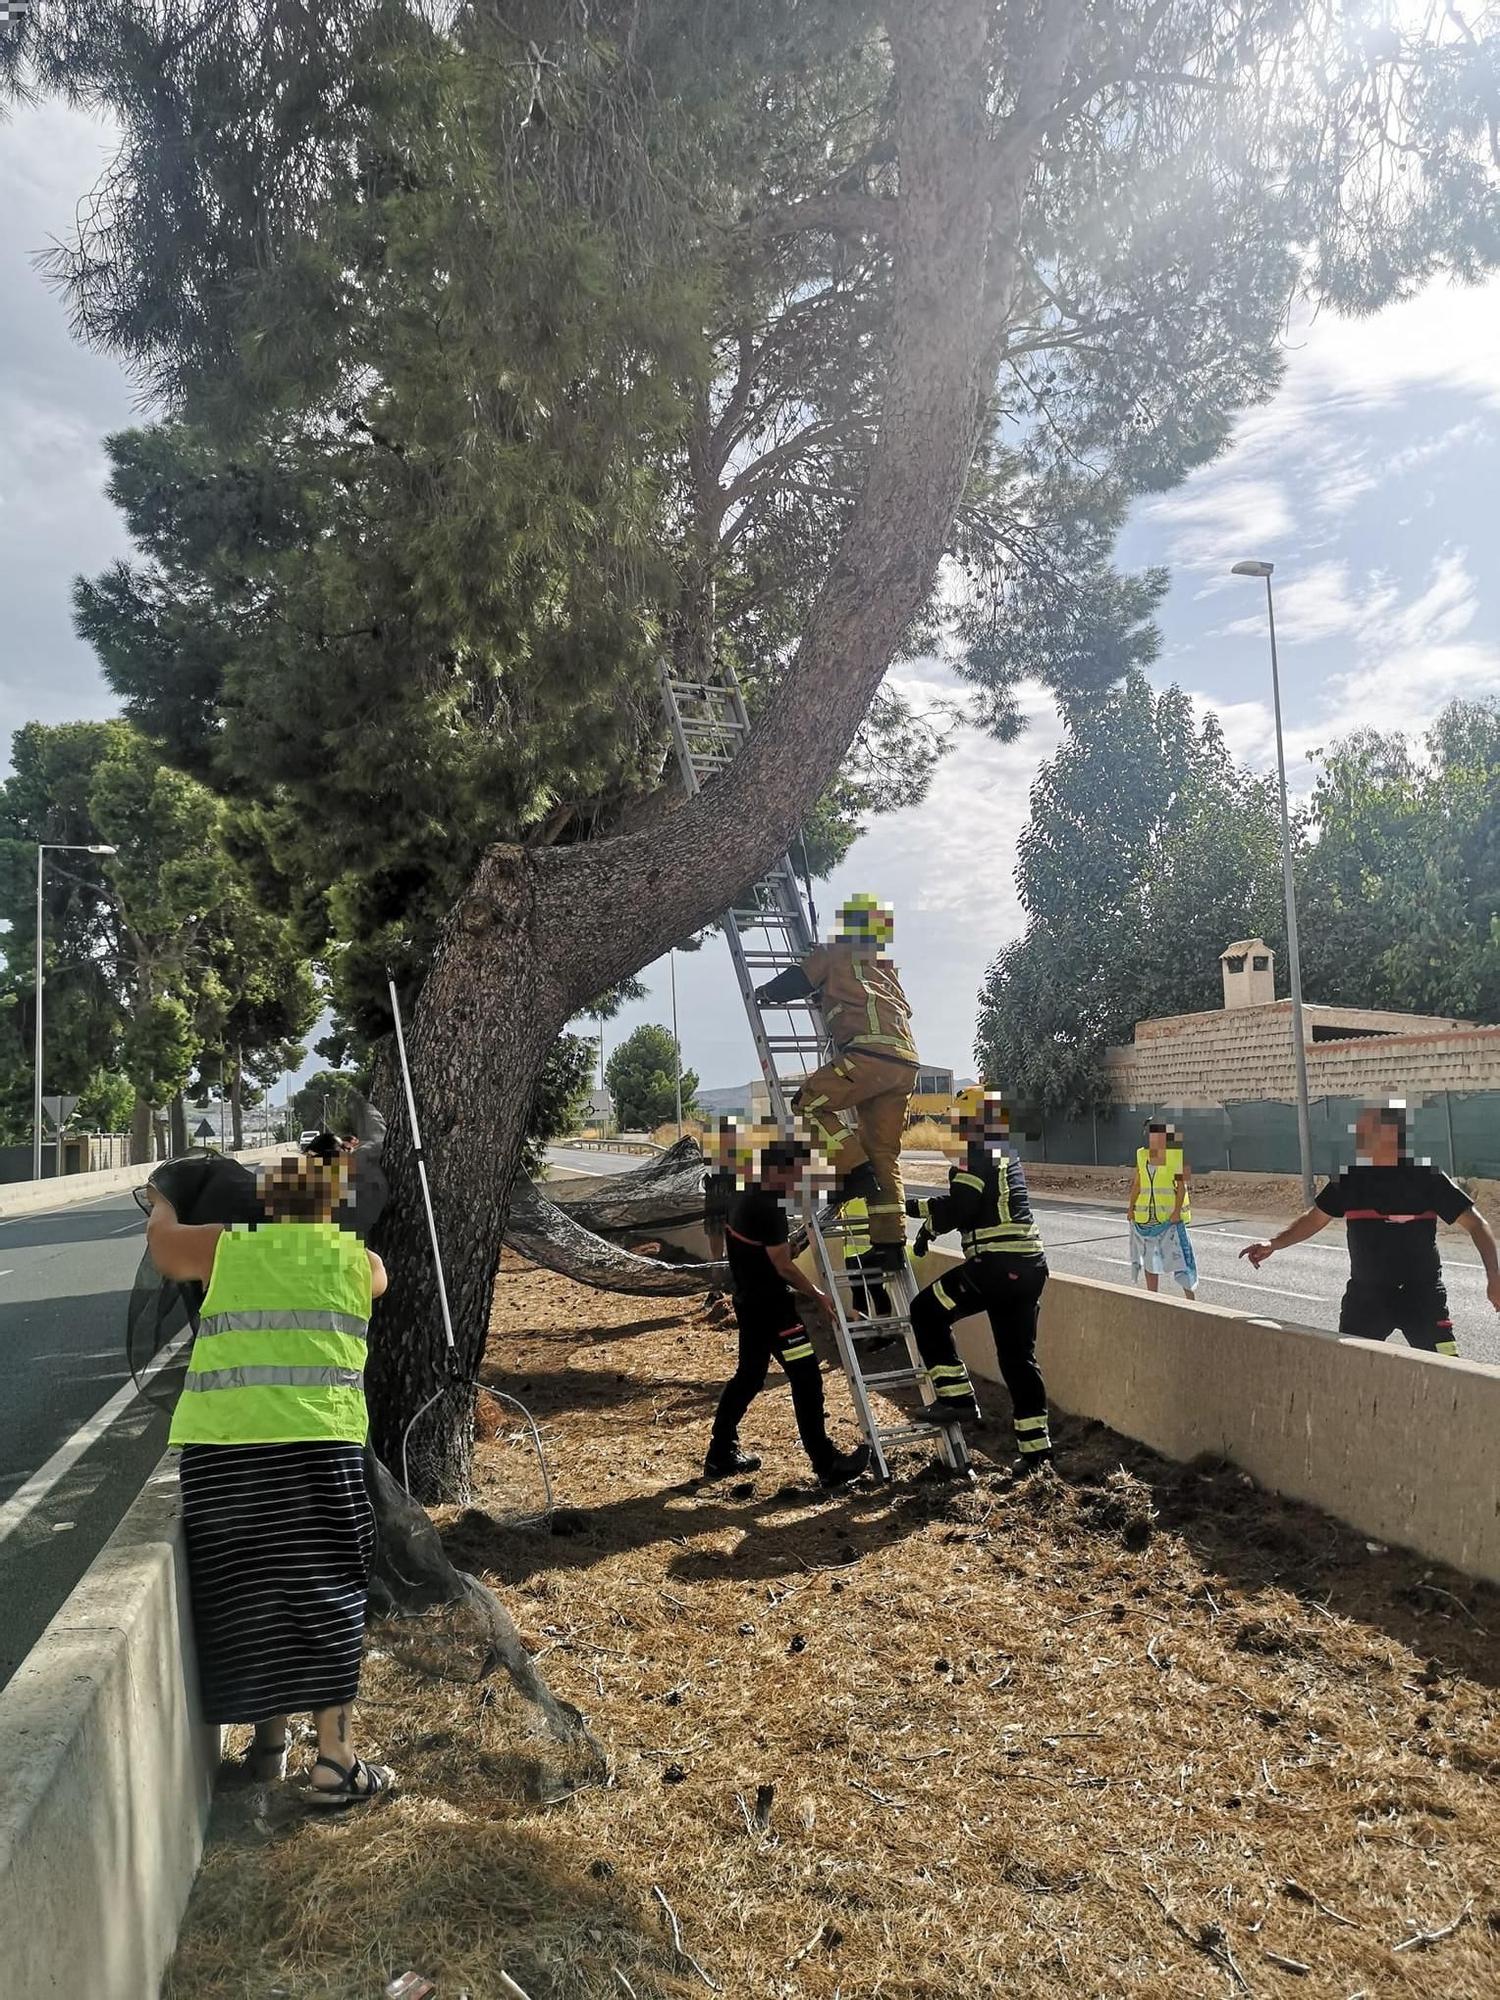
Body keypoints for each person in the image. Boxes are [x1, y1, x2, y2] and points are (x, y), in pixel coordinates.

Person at [146, 1148, 396, 1806]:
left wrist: (165, 1197)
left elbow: (165, 1251)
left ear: (262, 1205)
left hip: (226, 1451)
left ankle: (267, 1752)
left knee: (253, 1595)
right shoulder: (359, 1263)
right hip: (324, 1449)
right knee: (327, 1595)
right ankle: (335, 1761)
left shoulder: (226, 1247)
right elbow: (374, 1279)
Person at [1239, 1103, 1500, 1353]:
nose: (1358, 1135)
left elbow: (1477, 1225)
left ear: (1389, 1132)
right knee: (1349, 1374)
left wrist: (1494, 1278)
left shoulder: (1426, 1177)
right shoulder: (1351, 1179)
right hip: (1366, 1298)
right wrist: (1274, 1243)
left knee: (1447, 1374)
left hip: (1423, 1297)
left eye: (1365, 1129)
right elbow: (1315, 1219)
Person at [751, 893, 919, 1270]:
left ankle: (854, 1171)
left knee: (808, 1103)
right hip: (905, 1064)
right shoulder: (886, 967)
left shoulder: (836, 951)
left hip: (867, 1055)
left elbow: (797, 979)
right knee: (884, 1154)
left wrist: (766, 993)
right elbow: (866, 1001)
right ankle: (890, 1244)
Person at [704, 1134, 870, 1489]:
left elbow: (776, 1253)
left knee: (748, 1377)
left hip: (750, 1302)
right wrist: (820, 1295)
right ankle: (827, 1464)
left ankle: (720, 1454)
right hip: (774, 1310)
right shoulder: (769, 1206)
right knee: (807, 1378)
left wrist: (808, 1234)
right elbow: (782, 1264)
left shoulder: (747, 1194)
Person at [904, 1087, 1053, 1467]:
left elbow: (960, 1208)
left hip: (995, 1268)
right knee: (1019, 1360)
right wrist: (929, 1228)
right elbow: (972, 1208)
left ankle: (956, 1398)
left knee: (926, 1310)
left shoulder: (975, 1153)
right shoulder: (1004, 1154)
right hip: (1028, 1269)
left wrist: (909, 1209)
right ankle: (1037, 1454)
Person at [1127, 1118, 1197, 1300]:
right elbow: (1138, 1183)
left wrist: (1176, 1212)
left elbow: (1183, 1186)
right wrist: (1131, 1207)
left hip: (1169, 1220)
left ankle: (1192, 1302)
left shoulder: (1178, 1154)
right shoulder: (1141, 1154)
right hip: (1146, 1218)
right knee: (1149, 1262)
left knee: (1181, 1260)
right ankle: (1153, 1299)